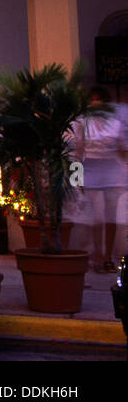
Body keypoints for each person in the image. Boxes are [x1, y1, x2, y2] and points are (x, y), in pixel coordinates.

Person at [74, 87, 128, 272]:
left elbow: (122, 149)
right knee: (97, 216)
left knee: (110, 216)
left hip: (111, 168)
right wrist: (76, 179)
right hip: (91, 167)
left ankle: (108, 257)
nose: (96, 103)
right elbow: (78, 151)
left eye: (100, 100)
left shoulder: (115, 122)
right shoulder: (83, 122)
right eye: (93, 99)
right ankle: (98, 254)